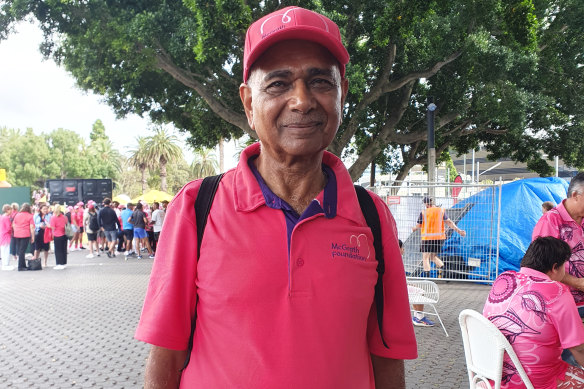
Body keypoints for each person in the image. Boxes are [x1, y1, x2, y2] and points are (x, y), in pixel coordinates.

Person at [135, 7, 417, 388]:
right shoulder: (197, 206)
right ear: (249, 103)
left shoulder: (370, 216)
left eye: (320, 81)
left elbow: (387, 355)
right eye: (279, 84)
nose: (302, 101)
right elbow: (165, 357)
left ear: (342, 94)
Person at [483, 237, 584, 388]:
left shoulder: (503, 279)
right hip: (534, 381)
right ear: (555, 267)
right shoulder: (557, 291)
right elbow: (578, 348)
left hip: (492, 376)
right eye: (565, 266)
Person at [533, 172, 584, 309]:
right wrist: (578, 283)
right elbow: (543, 266)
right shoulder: (550, 221)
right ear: (575, 195)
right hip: (562, 304)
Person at [412, 196, 466, 277]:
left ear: (426, 204)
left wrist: (414, 228)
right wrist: (459, 231)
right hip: (439, 239)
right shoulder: (441, 211)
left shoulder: (424, 212)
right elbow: (449, 222)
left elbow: (418, 225)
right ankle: (444, 269)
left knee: (425, 258)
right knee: (433, 256)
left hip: (427, 238)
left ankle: (427, 277)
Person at [399, 239, 435, 327]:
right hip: (398, 287)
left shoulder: (395, 260)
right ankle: (419, 317)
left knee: (415, 290)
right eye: (402, 247)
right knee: (419, 291)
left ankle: (417, 316)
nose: (404, 249)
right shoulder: (396, 261)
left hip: (398, 285)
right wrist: (406, 284)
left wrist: (407, 283)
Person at [12, 203, 35, 271]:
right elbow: (32, 227)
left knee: (20, 250)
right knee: (22, 250)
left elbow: (13, 224)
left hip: (17, 234)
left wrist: (16, 230)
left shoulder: (17, 215)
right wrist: (33, 236)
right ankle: (20, 267)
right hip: (25, 234)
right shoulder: (30, 216)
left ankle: (23, 265)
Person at [51, 205, 68, 270]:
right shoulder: (64, 217)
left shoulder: (53, 218)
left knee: (58, 250)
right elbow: (66, 224)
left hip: (57, 235)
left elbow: (53, 227)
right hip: (64, 234)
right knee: (64, 249)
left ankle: (59, 263)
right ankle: (64, 263)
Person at [0, 204, 14, 270]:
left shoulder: (2, 217)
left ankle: (4, 264)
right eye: (10, 209)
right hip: (6, 235)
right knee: (6, 250)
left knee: (3, 250)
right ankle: (5, 265)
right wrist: (12, 226)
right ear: (7, 210)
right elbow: (9, 228)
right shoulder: (6, 218)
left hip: (2, 235)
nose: (11, 211)